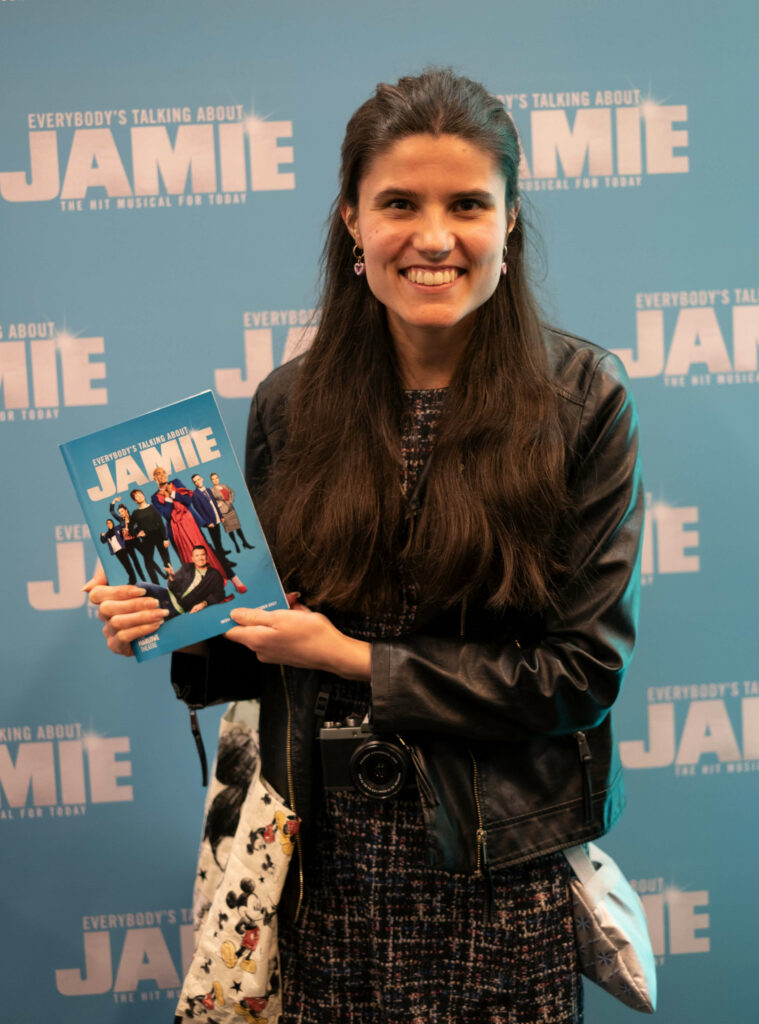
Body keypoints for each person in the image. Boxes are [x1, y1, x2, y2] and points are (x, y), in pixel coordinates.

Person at [87, 68, 643, 1024]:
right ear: (352, 221)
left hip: (494, 876)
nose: (434, 237)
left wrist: (349, 657)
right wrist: (173, 616)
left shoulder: (582, 399)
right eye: (399, 204)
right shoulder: (291, 404)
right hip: (315, 874)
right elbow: (253, 642)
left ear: (509, 222)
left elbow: (578, 675)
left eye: (468, 203)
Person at [140, 545, 226, 617]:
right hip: (168, 595)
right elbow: (172, 586)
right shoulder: (187, 567)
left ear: (207, 557)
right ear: (192, 558)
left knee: (151, 616)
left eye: (202, 555)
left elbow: (220, 594)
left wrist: (204, 603)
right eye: (197, 555)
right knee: (142, 586)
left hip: (178, 608)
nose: (200, 558)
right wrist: (172, 576)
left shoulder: (214, 574)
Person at [209, 471, 254, 552]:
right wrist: (218, 504)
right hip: (223, 511)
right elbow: (211, 501)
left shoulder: (224, 486)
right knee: (230, 529)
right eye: (213, 479)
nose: (215, 480)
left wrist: (230, 500)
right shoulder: (211, 490)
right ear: (211, 481)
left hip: (231, 509)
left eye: (216, 478)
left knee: (237, 527)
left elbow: (232, 492)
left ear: (218, 478)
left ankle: (245, 542)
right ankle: (236, 544)